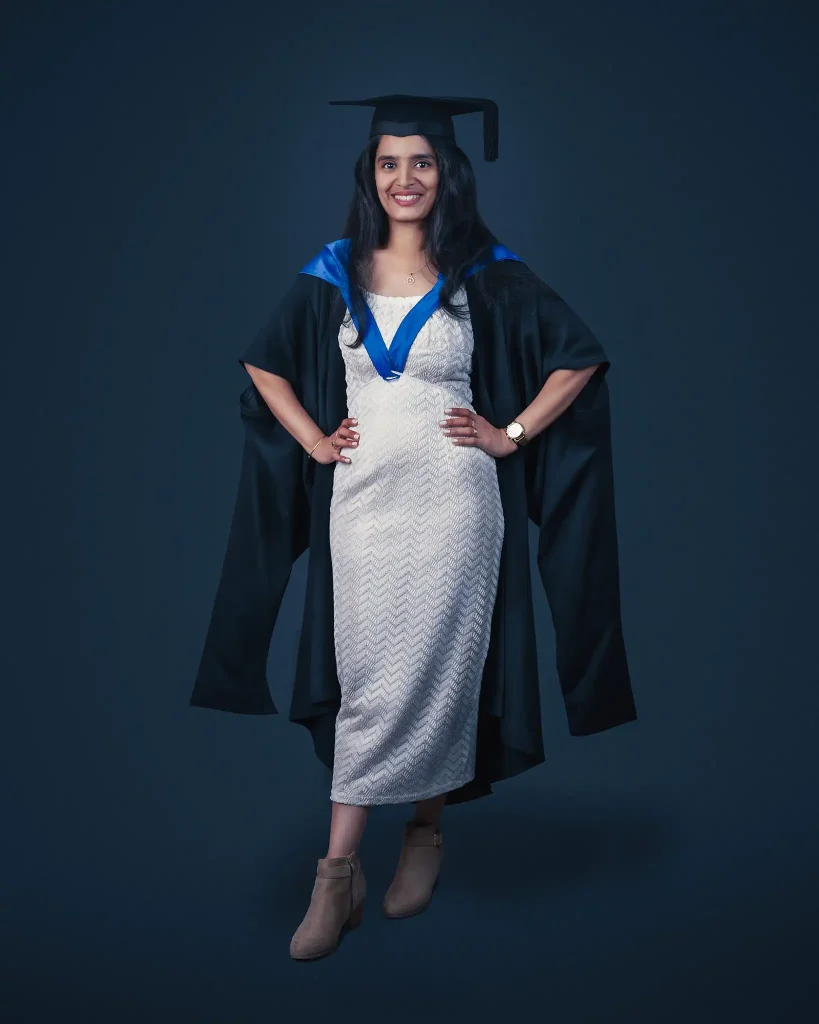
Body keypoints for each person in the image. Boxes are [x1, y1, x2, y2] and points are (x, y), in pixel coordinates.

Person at [190, 94, 637, 961]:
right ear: (369, 174)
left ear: (447, 173)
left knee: (442, 671)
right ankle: (341, 875)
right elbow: (262, 361)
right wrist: (312, 440)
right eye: (389, 163)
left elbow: (577, 357)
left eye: (421, 162)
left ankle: (418, 837)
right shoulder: (335, 270)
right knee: (369, 680)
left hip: (457, 505)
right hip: (363, 506)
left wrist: (510, 434)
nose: (405, 178)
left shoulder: (482, 271)